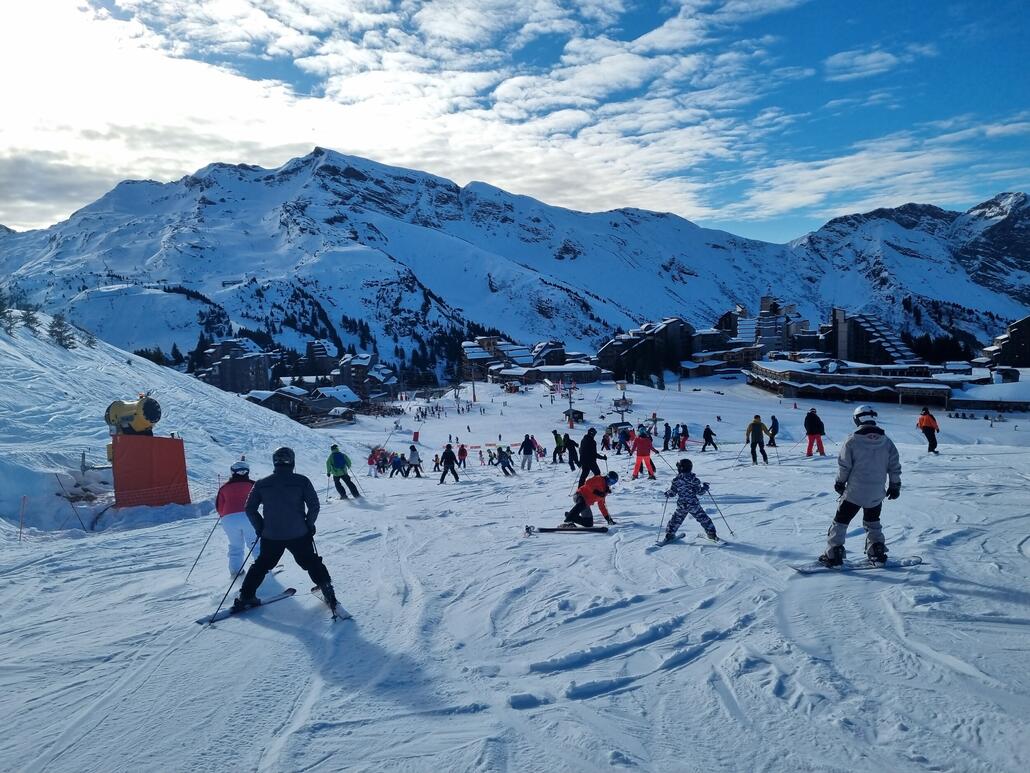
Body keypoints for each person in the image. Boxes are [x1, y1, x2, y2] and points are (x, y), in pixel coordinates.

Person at [234, 447, 338, 613]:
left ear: (274, 461)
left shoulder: (262, 483)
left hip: (271, 534)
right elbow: (314, 506)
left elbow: (249, 508)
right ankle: (327, 590)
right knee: (311, 561)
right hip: (299, 533)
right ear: (292, 461)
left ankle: (246, 596)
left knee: (261, 565)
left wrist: (260, 527)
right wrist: (309, 524)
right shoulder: (302, 480)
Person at [820, 405, 901, 566]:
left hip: (854, 492)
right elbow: (894, 466)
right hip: (876, 493)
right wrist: (895, 485)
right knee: (873, 522)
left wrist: (839, 482)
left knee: (841, 522)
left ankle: (834, 553)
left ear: (857, 419)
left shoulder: (852, 440)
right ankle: (877, 550)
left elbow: (844, 466)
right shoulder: (887, 441)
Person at [216, 460, 259, 577]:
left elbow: (219, 507)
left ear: (232, 472)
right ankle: (263, 568)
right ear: (247, 472)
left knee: (235, 545)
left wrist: (223, 514)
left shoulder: (224, 488)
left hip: (229, 518)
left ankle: (236, 571)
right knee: (254, 542)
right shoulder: (253, 485)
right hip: (249, 516)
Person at [663, 459, 718, 543]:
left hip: (682, 505)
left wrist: (668, 493)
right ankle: (711, 534)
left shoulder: (676, 480)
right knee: (704, 519)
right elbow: (700, 492)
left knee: (676, 520)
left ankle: (669, 535)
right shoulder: (694, 480)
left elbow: (673, 493)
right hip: (693, 505)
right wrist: (705, 488)